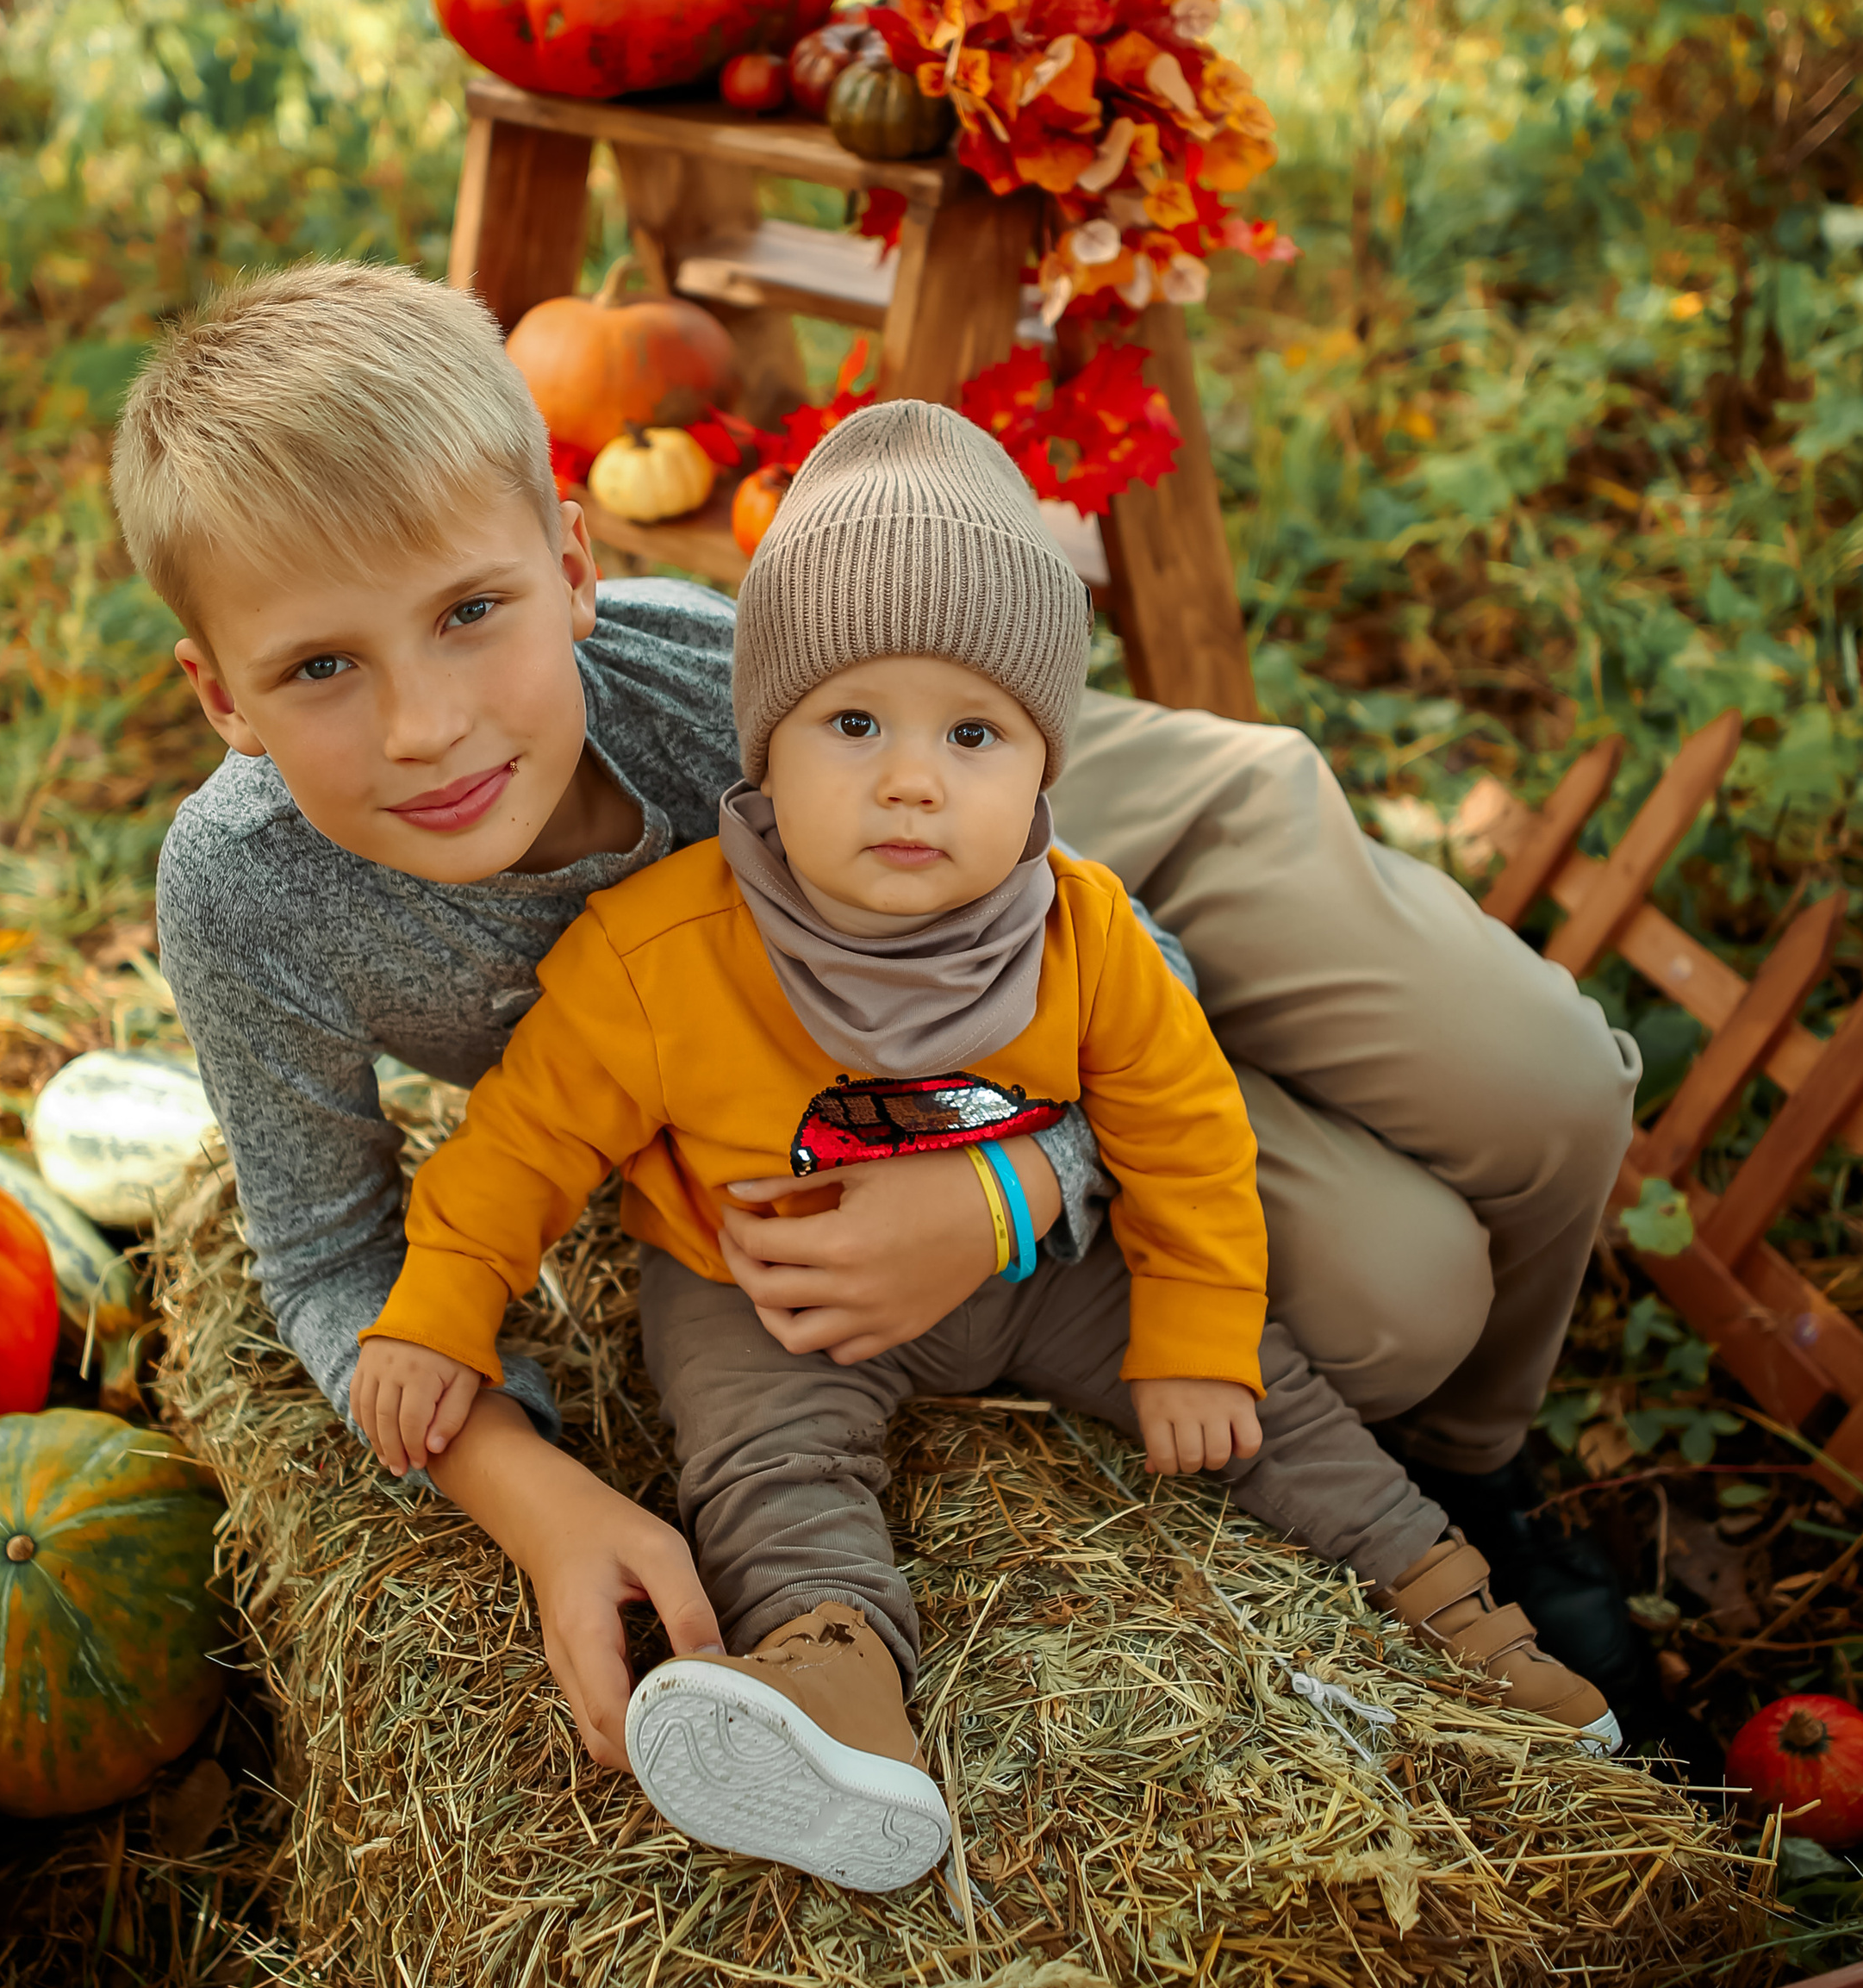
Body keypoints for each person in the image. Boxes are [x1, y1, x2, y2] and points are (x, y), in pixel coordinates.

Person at [114, 262, 1642, 1779]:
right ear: (220, 696)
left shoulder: (721, 689)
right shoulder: (250, 892)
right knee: (1401, 1299)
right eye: (321, 667)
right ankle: (1457, 1459)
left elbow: (1126, 963)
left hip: (1016, 799)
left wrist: (1015, 1187)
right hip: (918, 1007)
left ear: (573, 567)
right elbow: (326, 1255)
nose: (424, 724)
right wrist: (528, 1490)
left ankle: (1487, 1472)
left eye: (470, 612)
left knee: (1550, 1085)